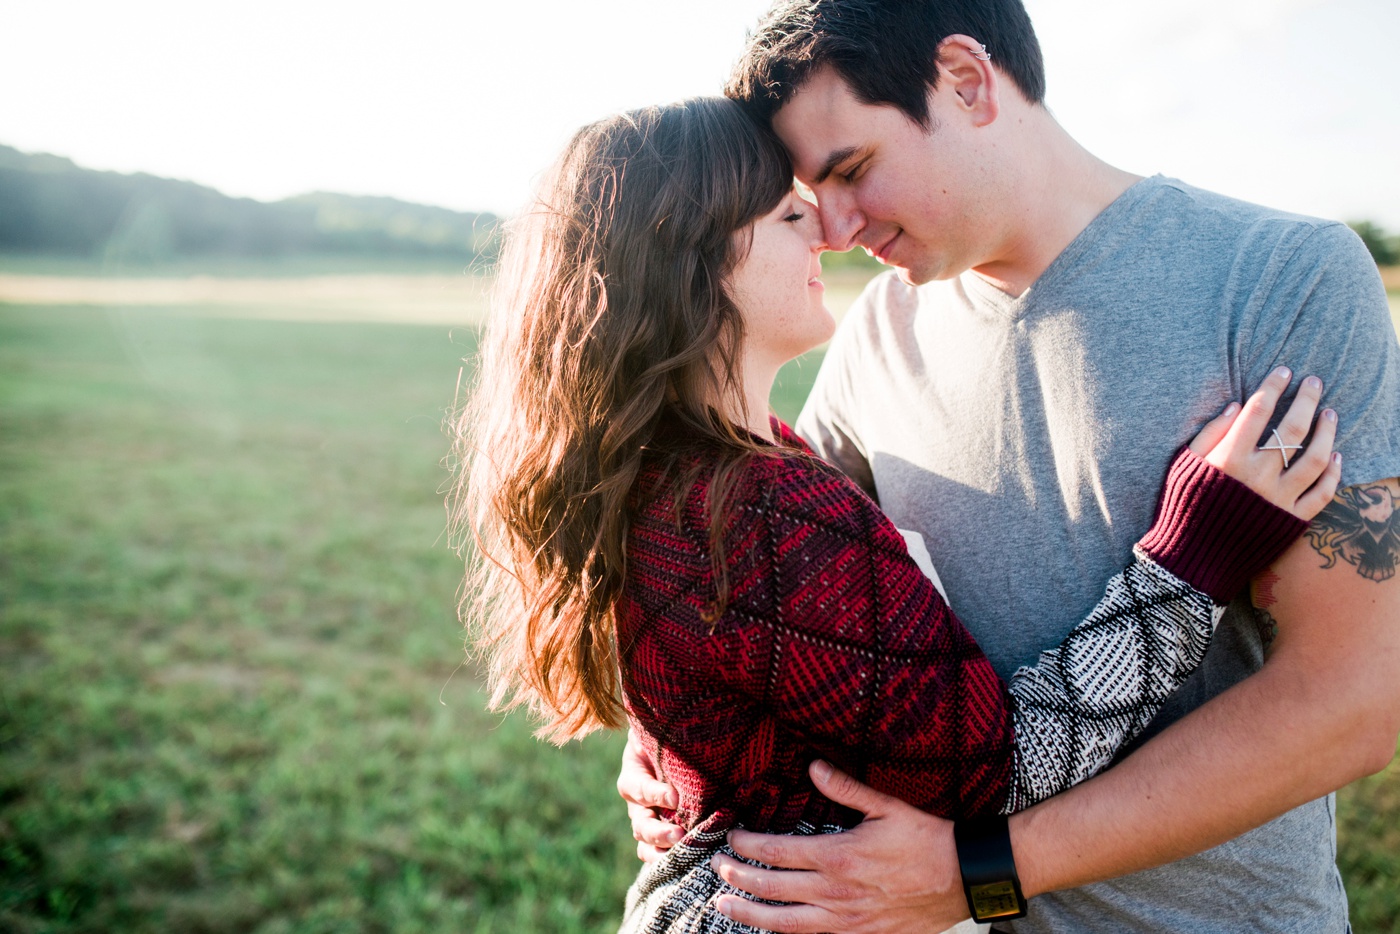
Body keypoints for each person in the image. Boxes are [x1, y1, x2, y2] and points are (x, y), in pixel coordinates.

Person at [450, 97, 1341, 934]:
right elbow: (998, 773)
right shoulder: (751, 508)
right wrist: (1192, 558)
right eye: (791, 216)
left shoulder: (705, 471)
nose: (831, 235)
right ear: (688, 258)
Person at [618, 2, 1400, 932]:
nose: (831, 225)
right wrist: (671, 741)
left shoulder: (1279, 277)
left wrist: (979, 871)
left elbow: (1355, 700)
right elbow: (745, 579)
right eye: (808, 190)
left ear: (965, 81)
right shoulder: (879, 330)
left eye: (853, 169)